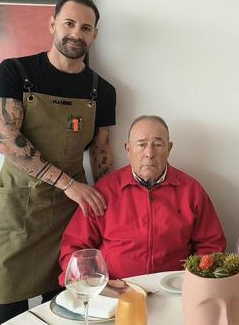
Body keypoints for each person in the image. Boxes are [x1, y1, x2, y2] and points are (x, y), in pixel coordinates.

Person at [0, 0, 116, 325]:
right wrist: (69, 184)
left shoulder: (102, 90)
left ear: (94, 36)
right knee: (7, 307)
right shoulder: (15, 71)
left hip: (72, 212)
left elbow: (100, 152)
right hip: (19, 209)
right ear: (52, 25)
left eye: (86, 28)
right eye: (69, 24)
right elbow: (6, 141)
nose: (77, 33)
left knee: (64, 304)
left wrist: (109, 209)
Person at [59, 115, 227, 283]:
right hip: (115, 291)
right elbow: (74, 248)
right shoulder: (104, 191)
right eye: (141, 144)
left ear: (169, 149)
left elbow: (211, 245)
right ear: (127, 149)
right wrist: (93, 285)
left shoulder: (191, 191)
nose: (149, 154)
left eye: (158, 144)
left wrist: (193, 281)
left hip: (174, 290)